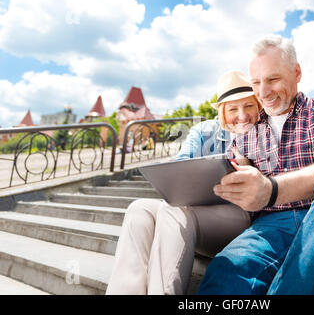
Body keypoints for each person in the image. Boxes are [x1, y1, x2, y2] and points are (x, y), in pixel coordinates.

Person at [196, 35, 314, 295]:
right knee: (226, 270)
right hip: (271, 227)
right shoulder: (248, 131)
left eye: (273, 79)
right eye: (256, 82)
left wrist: (270, 190)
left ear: (297, 73)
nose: (263, 92)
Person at [106, 70, 262, 295]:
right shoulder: (205, 131)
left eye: (248, 106)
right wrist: (176, 171)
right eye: (232, 109)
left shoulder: (267, 132)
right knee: (138, 209)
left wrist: (247, 168)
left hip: (238, 216)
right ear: (221, 111)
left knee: (175, 212)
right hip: (193, 212)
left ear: (258, 105)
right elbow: (181, 163)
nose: (242, 116)